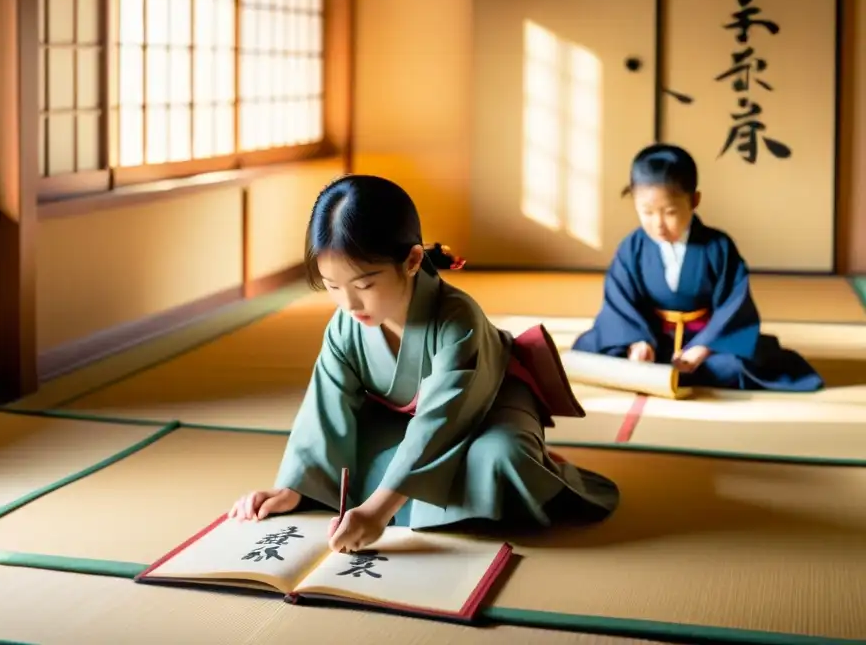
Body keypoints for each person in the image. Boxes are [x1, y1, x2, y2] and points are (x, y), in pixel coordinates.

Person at [228, 175, 620, 554]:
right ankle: (417, 493)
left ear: (413, 259)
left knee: (502, 460)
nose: (349, 305)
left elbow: (441, 420)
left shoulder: (457, 319)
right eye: (332, 287)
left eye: (364, 285)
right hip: (406, 424)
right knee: (346, 464)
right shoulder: (345, 326)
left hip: (488, 411)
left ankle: (531, 465)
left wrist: (378, 510)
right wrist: (293, 487)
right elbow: (325, 410)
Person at [573, 143, 823, 392]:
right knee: (594, 348)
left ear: (694, 200)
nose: (658, 224)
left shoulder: (718, 247)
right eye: (646, 212)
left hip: (707, 344)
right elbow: (620, 303)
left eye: (669, 212)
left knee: (738, 363)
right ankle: (650, 365)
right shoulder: (632, 247)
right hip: (652, 340)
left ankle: (668, 372)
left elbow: (734, 307)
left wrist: (700, 350)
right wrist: (637, 344)